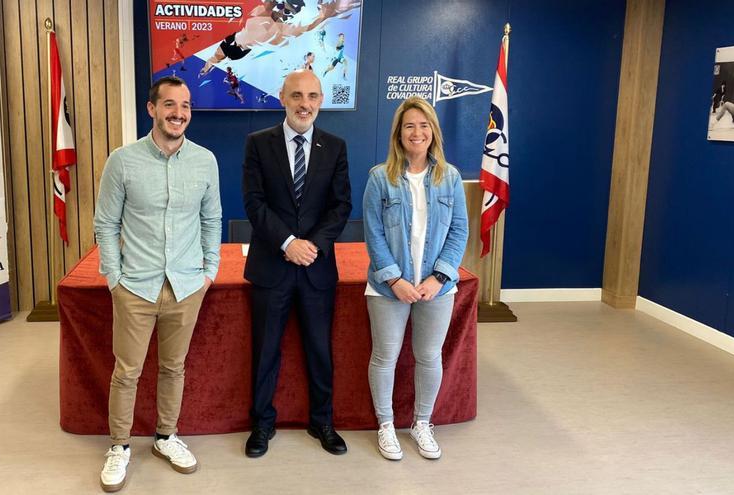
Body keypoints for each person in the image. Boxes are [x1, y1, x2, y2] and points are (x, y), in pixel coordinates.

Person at [93, 75, 222, 491]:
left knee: (173, 367)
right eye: (169, 105)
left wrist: (209, 272)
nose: (178, 113)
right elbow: (106, 223)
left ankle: (166, 437)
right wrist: (114, 278)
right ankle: (120, 446)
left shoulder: (205, 161)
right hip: (136, 286)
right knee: (127, 371)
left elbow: (211, 219)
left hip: (186, 286)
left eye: (184, 106)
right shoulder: (123, 160)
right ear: (152, 109)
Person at [242, 69, 352, 457]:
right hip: (272, 266)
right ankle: (262, 424)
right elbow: (254, 203)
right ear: (282, 98)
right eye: (297, 96)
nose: (305, 104)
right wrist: (288, 243)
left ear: (321, 100)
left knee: (320, 350)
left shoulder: (335, 146)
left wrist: (313, 246)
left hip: (316, 268)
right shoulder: (258, 143)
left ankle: (322, 421)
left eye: (312, 96)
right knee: (266, 350)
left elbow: (341, 206)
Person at [362, 96, 468, 461]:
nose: (417, 132)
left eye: (423, 125)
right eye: (409, 126)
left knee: (429, 357)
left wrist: (439, 278)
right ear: (399, 133)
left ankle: (422, 423)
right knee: (385, 357)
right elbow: (373, 234)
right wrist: (395, 281)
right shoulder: (380, 177)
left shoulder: (450, 177)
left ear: (433, 132)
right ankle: (387, 426)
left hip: (436, 289)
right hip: (388, 289)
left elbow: (459, 232)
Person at [198, 0, 362, 77]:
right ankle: (206, 67)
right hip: (232, 40)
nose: (283, 13)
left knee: (215, 61)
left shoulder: (281, 30)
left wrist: (326, 14)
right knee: (211, 62)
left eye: (289, 13)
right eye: (283, 7)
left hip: (241, 52)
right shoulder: (263, 8)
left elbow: (306, 28)